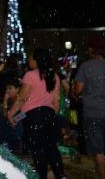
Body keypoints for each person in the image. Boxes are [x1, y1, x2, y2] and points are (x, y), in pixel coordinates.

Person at [7, 48, 66, 179]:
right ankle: (60, 175)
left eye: (31, 58)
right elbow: (56, 100)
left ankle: (41, 176)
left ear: (37, 60)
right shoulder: (54, 76)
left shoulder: (30, 75)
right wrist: (51, 115)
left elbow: (22, 98)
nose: (29, 60)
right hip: (49, 114)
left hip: (33, 117)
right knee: (51, 148)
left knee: (38, 150)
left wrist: (11, 113)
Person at [74, 35, 105, 179]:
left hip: (92, 114)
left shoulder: (85, 66)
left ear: (90, 50)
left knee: (98, 150)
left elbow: (78, 90)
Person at [2, 77, 23, 151]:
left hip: (20, 135)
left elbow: (24, 113)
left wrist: (13, 120)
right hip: (8, 135)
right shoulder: (8, 101)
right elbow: (5, 115)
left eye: (10, 88)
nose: (7, 91)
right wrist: (5, 101)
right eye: (6, 88)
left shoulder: (22, 100)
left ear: (18, 89)